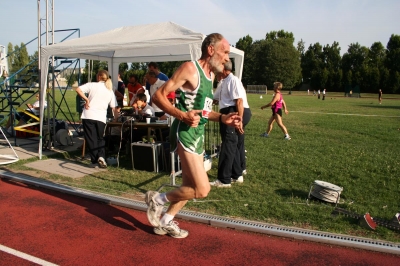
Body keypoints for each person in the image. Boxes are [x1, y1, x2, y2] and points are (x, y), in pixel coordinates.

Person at [145, 33, 241, 238]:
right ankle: (157, 200)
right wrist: (182, 115)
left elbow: (203, 111)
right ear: (211, 50)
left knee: (189, 187)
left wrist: (223, 118)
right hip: (185, 133)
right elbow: (158, 96)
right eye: (225, 52)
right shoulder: (190, 68)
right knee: (202, 189)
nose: (227, 58)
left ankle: (165, 221)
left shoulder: (211, 76)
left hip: (198, 135)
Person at [211, 60, 251, 187]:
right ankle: (237, 174)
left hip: (233, 112)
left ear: (223, 68)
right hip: (230, 112)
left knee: (228, 145)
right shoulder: (224, 81)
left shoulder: (233, 80)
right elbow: (217, 98)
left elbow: (239, 101)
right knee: (233, 144)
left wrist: (239, 120)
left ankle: (224, 179)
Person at [75, 69, 116, 168]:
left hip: (89, 115)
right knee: (100, 138)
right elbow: (113, 106)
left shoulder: (92, 85)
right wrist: (115, 118)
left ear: (98, 77)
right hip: (101, 117)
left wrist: (86, 99)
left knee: (91, 139)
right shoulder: (110, 90)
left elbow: (78, 89)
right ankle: (101, 156)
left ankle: (94, 161)